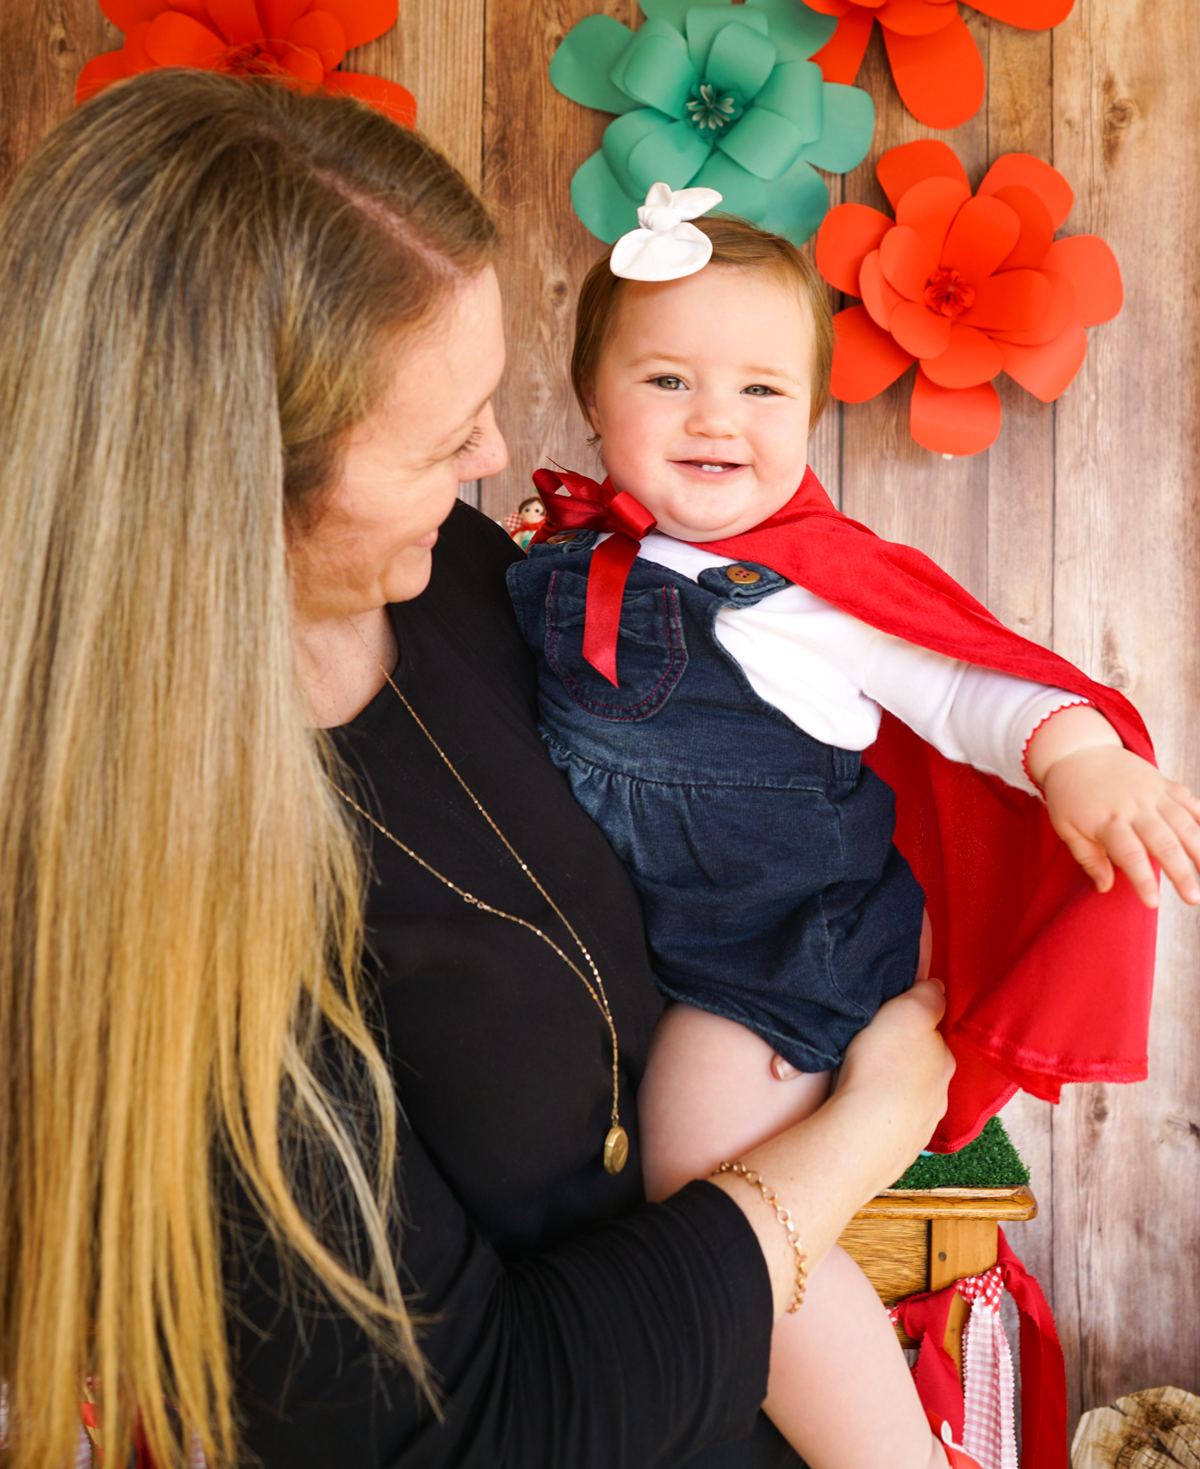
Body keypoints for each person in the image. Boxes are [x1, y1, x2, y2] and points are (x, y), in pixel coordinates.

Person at [0, 72, 954, 1469]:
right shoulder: (130, 904)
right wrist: (868, 1128)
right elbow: (477, 1427)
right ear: (233, 482)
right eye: (446, 437)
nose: (499, 459)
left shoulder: (457, 574)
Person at [507, 188, 1200, 1469]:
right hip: (650, 952)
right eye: (669, 378)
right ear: (592, 401)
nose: (718, 416)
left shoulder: (795, 589)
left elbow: (962, 681)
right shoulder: (553, 561)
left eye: (765, 391)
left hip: (776, 959)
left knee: (703, 1192)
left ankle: (886, 1455)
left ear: (811, 421)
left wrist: (1080, 753)